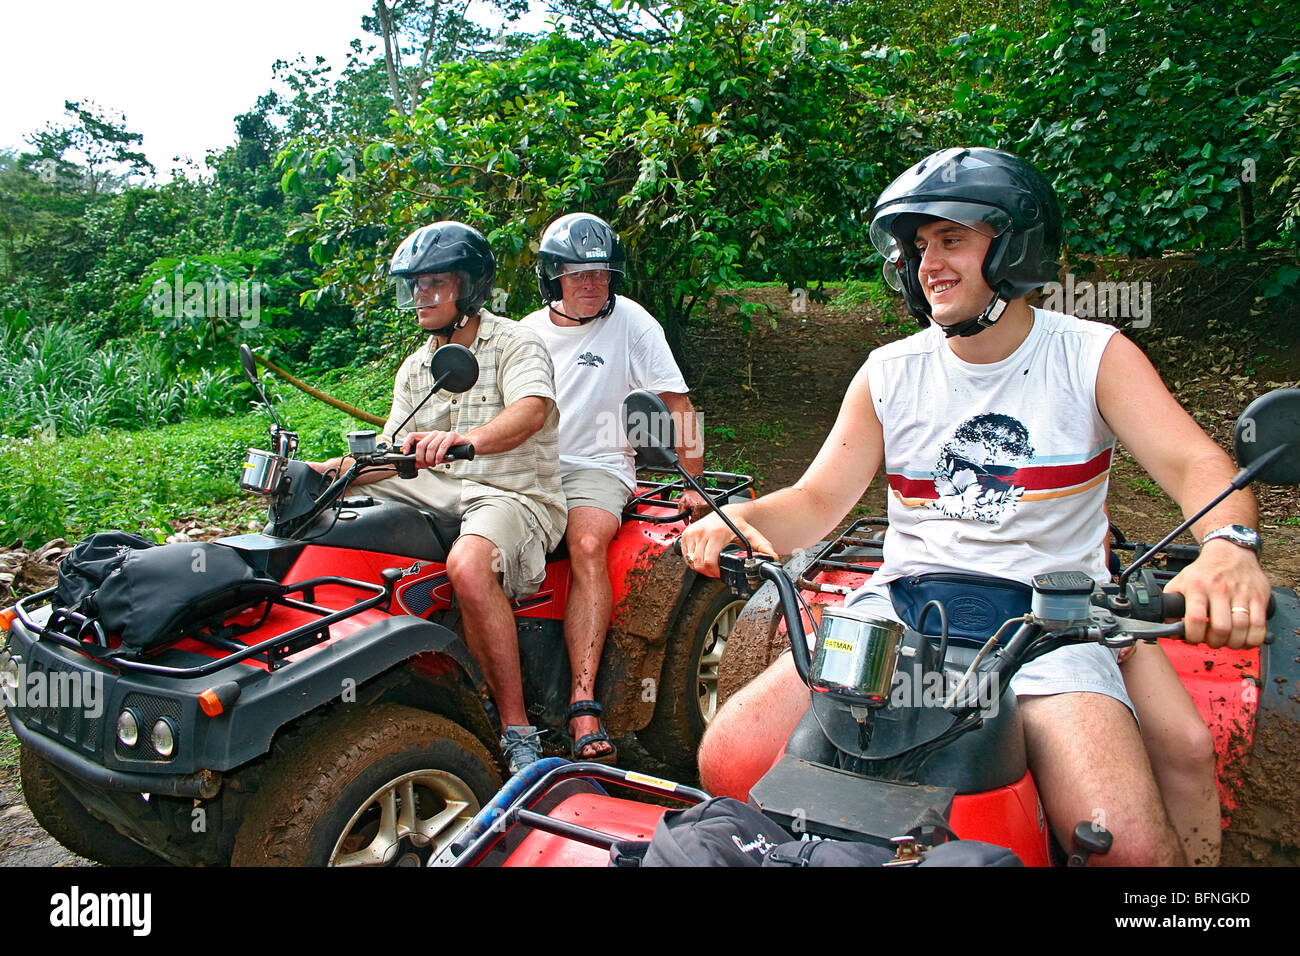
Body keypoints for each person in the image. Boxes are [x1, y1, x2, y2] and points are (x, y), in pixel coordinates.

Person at [681, 148, 1272, 866]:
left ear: (1015, 244)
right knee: (729, 757)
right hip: (898, 612)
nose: (928, 261)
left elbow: (1198, 465)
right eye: (919, 245)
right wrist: (741, 519)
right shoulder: (889, 373)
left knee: (1130, 847)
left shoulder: (1091, 356)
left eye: (952, 239)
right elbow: (814, 501)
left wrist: (1229, 547)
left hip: (1053, 624)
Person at [311, 221, 567, 773]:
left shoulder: (516, 343)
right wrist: (319, 473)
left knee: (469, 565)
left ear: (469, 289)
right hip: (440, 490)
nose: (420, 297)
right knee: (332, 518)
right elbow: (391, 455)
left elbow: (531, 412)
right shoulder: (415, 367)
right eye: (415, 285)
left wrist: (467, 441)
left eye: (434, 284)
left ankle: (519, 730)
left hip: (512, 489)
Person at [521, 212, 708, 762]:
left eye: (600, 275)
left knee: (585, 542)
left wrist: (693, 481)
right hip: (531, 465)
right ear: (551, 277)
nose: (590, 285)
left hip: (599, 463)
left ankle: (582, 701)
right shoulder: (527, 333)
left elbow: (676, 404)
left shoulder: (632, 322)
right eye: (577, 275)